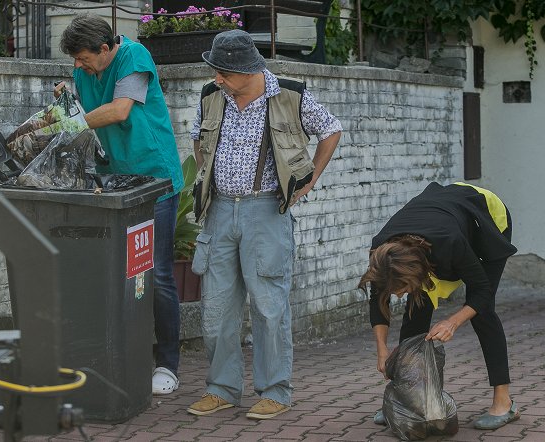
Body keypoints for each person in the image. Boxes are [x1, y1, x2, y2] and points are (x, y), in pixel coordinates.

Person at [186, 30, 342, 419]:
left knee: (270, 307)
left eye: (223, 72)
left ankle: (275, 391)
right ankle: (221, 388)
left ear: (249, 69)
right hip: (218, 211)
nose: (217, 78)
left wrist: (311, 179)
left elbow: (331, 129)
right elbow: (197, 139)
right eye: (216, 71)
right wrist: (208, 173)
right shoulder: (212, 96)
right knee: (216, 307)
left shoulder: (289, 95)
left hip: (266, 213)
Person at [56, 14, 184, 395]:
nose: (79, 65)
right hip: (113, 180)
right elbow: (84, 113)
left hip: (154, 178)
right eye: (75, 60)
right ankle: (126, 356)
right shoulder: (83, 70)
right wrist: (67, 104)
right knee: (121, 274)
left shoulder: (134, 56)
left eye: (83, 58)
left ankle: (168, 364)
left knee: (157, 274)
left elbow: (119, 109)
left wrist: (67, 125)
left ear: (106, 47)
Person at [358, 182, 520, 430]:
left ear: (416, 272)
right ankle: (408, 399)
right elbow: (377, 301)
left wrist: (453, 321)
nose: (398, 296)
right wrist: (382, 349)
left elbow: (482, 291)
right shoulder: (383, 254)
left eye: (400, 289)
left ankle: (504, 402)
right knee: (416, 308)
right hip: (437, 219)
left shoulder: (450, 243)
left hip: (486, 218)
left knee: (482, 312)